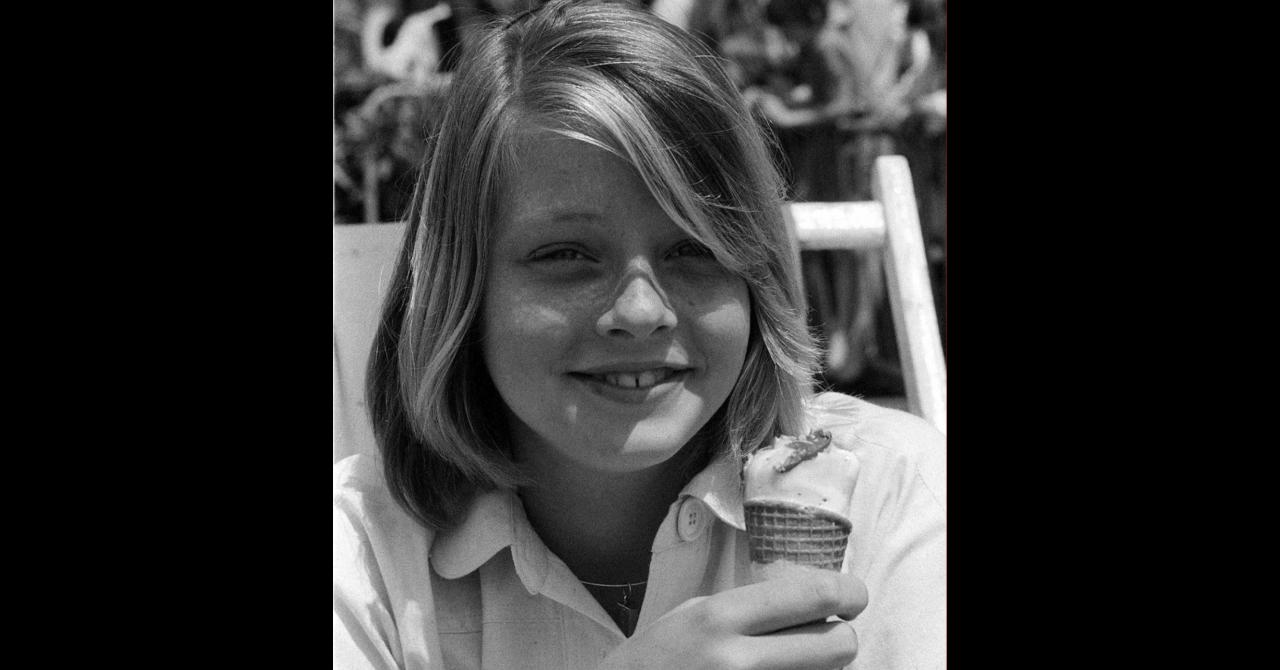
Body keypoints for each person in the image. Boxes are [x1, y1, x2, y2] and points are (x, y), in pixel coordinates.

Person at [333, 1, 946, 668]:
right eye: (565, 254)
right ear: (464, 289)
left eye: (695, 250)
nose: (641, 310)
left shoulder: (897, 496)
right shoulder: (365, 559)